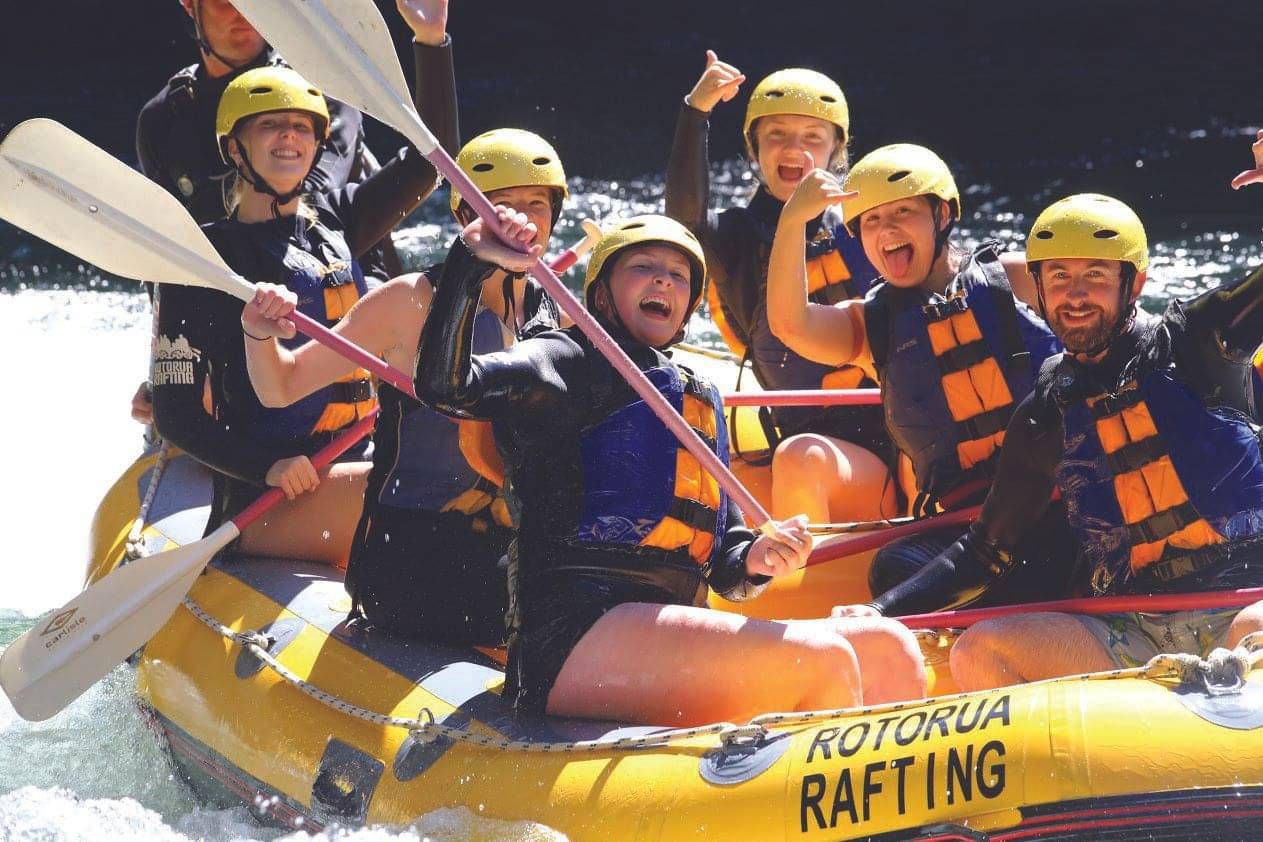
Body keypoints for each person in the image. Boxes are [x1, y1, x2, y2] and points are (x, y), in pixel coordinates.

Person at [414, 211, 926, 724]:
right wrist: (471, 261)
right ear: (600, 296)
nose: (663, 280)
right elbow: (445, 385)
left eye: (678, 275)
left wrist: (758, 558)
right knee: (823, 660)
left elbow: (726, 564)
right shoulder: (565, 361)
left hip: (672, 623)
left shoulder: (695, 396)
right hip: (574, 634)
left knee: (889, 649)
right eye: (643, 266)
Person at [840, 189, 1263, 691]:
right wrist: (877, 612)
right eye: (1059, 277)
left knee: (1254, 631)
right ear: (1036, 289)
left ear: (1134, 283)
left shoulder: (1201, 342)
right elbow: (983, 553)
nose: (1075, 295)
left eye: (1096, 276)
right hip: (1135, 626)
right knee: (980, 650)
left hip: (1244, 598)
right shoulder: (1045, 414)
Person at [152, 0, 454, 565]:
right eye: (270, 125)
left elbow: (430, 161)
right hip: (268, 498)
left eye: (301, 127)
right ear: (234, 146)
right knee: (423, 496)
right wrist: (264, 468)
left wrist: (432, 44)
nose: (288, 137)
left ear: (318, 144)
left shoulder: (339, 220)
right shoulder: (203, 260)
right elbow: (175, 413)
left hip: (358, 459)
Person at [239, 129, 568, 644]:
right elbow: (280, 386)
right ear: (466, 216)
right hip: (409, 558)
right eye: (502, 205)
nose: (522, 220)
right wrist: (258, 332)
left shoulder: (562, 317)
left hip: (506, 550)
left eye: (536, 205)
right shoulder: (407, 302)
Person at [766, 143, 1071, 600]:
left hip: (1060, 502)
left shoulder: (1014, 279)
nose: (887, 228)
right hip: (967, 529)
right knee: (893, 568)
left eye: (903, 211)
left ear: (942, 215)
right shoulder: (873, 325)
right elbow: (792, 325)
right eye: (871, 220)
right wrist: (792, 221)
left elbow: (1104, 317)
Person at [130, 0, 402, 427]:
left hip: (344, 285)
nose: (243, 13)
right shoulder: (164, 120)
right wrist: (173, 366)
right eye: (226, 1)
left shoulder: (319, 84)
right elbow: (169, 262)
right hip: (241, 307)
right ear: (189, 5)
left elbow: (305, 214)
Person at [665, 55, 893, 524]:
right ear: (753, 148)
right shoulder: (735, 236)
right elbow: (683, 227)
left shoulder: (868, 226)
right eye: (777, 135)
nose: (795, 149)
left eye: (813, 137)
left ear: (836, 150)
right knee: (798, 456)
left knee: (800, 457)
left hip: (888, 450)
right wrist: (696, 111)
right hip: (805, 447)